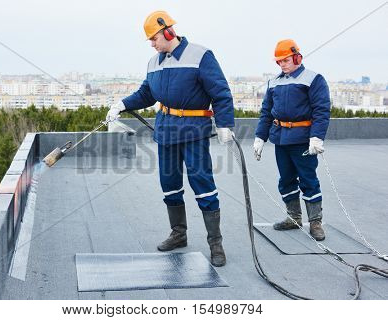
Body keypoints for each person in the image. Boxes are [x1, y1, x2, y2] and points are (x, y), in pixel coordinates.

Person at [106, 11, 235, 266]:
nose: (152, 44)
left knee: (202, 183)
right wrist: (121, 104)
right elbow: (147, 94)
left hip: (193, 131)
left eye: (153, 38)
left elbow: (221, 93)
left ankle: (215, 243)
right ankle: (179, 235)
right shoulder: (154, 62)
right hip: (166, 130)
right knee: (170, 183)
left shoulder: (201, 56)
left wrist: (225, 124)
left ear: (168, 32)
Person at [254, 39, 331, 241]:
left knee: (308, 180)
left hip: (303, 139)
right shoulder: (274, 82)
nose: (282, 64)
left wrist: (316, 137)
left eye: (286, 60)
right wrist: (260, 137)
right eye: (279, 62)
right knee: (286, 179)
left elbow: (321, 111)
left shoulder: (313, 79)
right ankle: (294, 218)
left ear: (297, 57)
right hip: (281, 139)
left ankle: (315, 222)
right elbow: (266, 113)